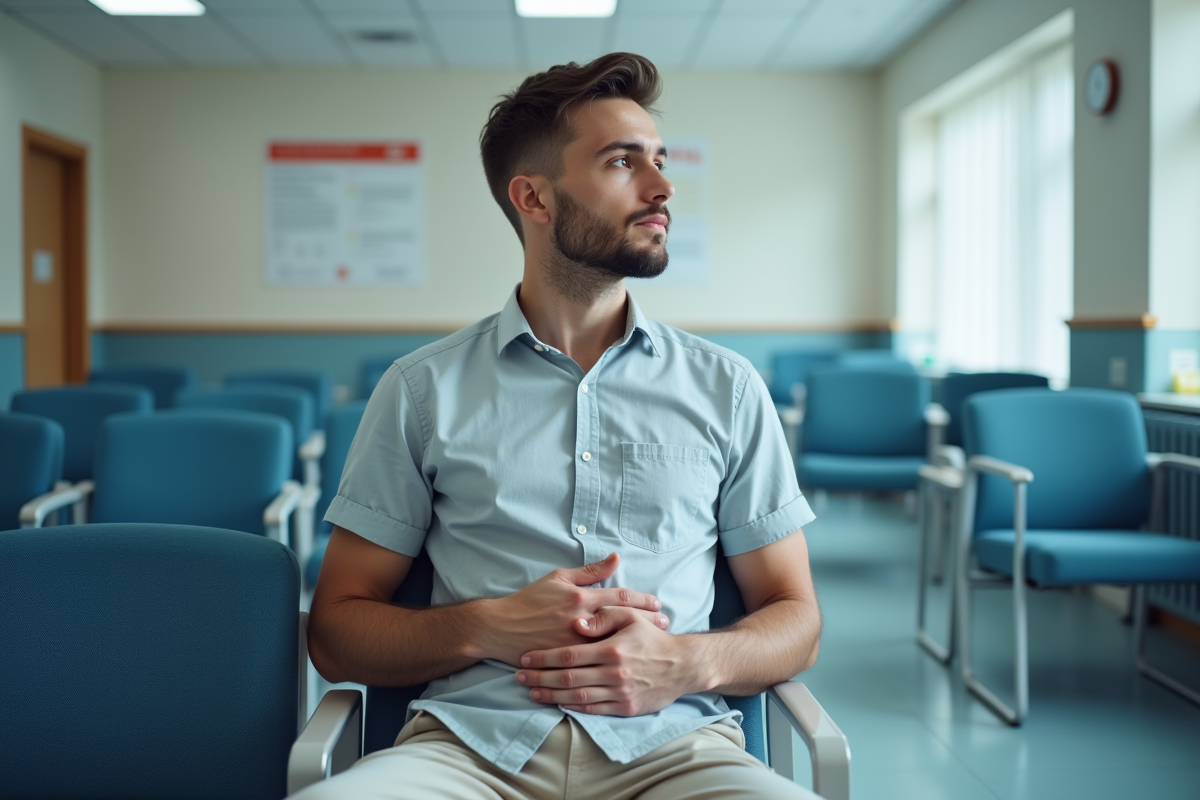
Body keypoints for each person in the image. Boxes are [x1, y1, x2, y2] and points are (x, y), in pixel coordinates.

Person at [297, 52, 823, 800]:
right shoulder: (422, 389)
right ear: (533, 199)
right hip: (466, 752)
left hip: (676, 748)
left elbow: (796, 618)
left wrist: (685, 661)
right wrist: (486, 626)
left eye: (660, 160)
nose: (663, 187)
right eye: (621, 162)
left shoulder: (728, 388)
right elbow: (335, 633)